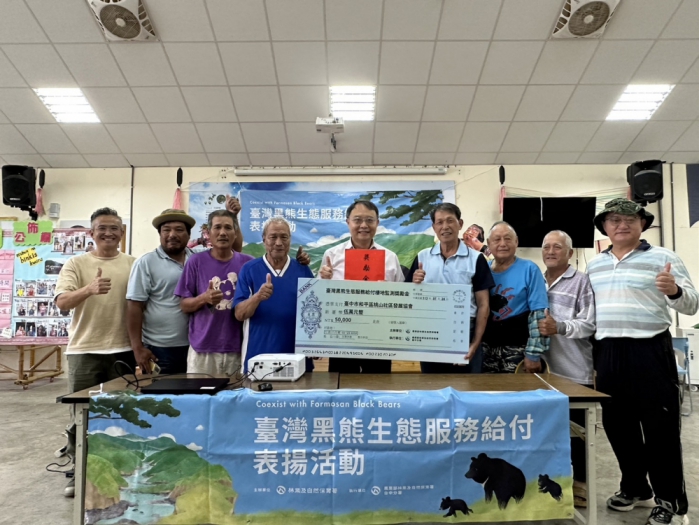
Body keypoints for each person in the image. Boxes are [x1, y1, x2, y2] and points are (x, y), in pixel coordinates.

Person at [587, 198, 697, 525]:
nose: (622, 225)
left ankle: (669, 500)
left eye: (630, 219)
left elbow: (692, 305)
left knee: (660, 429)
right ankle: (635, 487)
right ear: (604, 227)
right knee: (618, 428)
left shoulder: (663, 257)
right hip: (608, 351)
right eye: (614, 220)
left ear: (642, 224)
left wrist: (674, 290)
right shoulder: (595, 264)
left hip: (650, 350)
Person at [54, 207, 135, 497]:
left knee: (121, 416)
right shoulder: (75, 264)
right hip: (84, 351)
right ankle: (79, 473)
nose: (108, 233)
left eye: (114, 228)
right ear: (91, 232)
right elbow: (62, 302)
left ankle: (117, 473)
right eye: (102, 228)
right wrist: (88, 289)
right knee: (81, 416)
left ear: (122, 233)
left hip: (124, 351)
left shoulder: (134, 264)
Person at [538, 230, 595, 505]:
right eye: (546, 247)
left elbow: (590, 324)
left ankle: (581, 485)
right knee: (546, 433)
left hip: (574, 371)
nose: (550, 251)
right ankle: (551, 484)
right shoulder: (537, 280)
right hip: (540, 373)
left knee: (577, 435)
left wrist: (559, 327)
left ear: (570, 253)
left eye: (557, 247)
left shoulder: (581, 281)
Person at [408, 203, 494, 373]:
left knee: (467, 387)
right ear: (434, 227)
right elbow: (408, 299)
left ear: (460, 224)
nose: (445, 226)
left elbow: (484, 305)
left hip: (465, 333)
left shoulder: (476, 259)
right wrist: (414, 283)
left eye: (450, 221)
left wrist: (474, 344)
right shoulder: (422, 257)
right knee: (432, 386)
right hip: (430, 334)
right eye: (439, 222)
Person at [319, 200, 404, 373]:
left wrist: (389, 293)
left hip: (379, 337)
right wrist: (323, 281)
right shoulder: (331, 255)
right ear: (348, 222)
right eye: (357, 220)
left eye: (369, 220)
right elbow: (319, 297)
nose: (363, 225)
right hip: (342, 336)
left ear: (377, 223)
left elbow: (402, 296)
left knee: (378, 384)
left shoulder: (390, 257)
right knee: (341, 385)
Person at [175, 210, 253, 375]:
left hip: (239, 349)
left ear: (235, 233)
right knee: (199, 393)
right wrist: (204, 298)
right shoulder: (195, 262)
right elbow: (184, 305)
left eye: (228, 228)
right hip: (203, 350)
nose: (222, 232)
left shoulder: (248, 263)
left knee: (238, 392)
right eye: (217, 227)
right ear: (208, 233)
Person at [234, 217, 314, 374]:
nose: (278, 243)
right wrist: (258, 297)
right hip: (258, 358)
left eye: (284, 237)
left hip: (297, 360)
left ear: (290, 240)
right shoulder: (249, 270)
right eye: (273, 237)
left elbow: (315, 311)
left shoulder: (303, 270)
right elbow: (239, 314)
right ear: (264, 239)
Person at [126, 209, 196, 375]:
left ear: (188, 235)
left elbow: (232, 253)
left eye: (179, 229)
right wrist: (137, 348)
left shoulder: (197, 259)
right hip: (159, 349)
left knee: (196, 391)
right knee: (162, 392)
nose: (172, 235)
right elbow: (134, 306)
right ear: (160, 234)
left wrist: (232, 215)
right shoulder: (146, 262)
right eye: (166, 230)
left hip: (195, 346)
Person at [481, 222, 549, 373]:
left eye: (508, 238)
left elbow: (539, 314)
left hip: (518, 348)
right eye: (497, 239)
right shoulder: (483, 270)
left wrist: (533, 354)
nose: (502, 244)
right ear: (489, 244)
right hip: (486, 348)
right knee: (485, 387)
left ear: (516, 241)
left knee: (515, 388)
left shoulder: (529, 269)